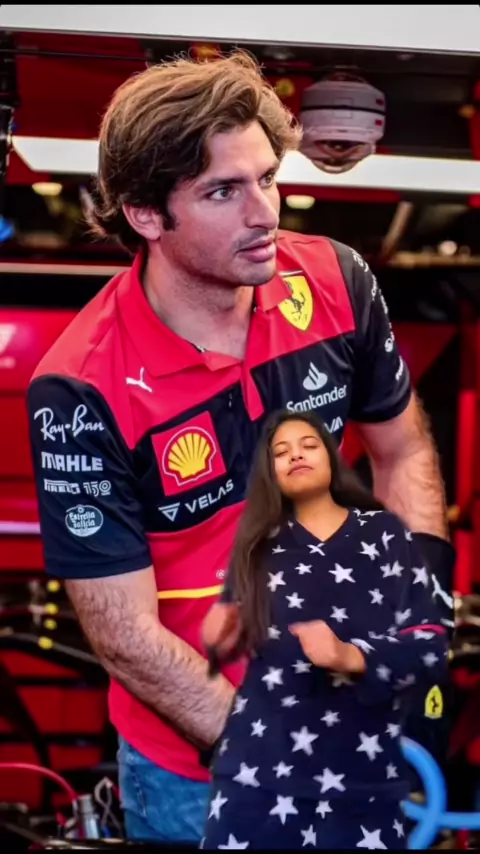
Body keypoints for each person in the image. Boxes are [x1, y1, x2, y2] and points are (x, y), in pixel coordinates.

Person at [25, 50, 454, 844]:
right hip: (197, 776)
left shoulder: (335, 280)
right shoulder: (82, 389)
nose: (264, 214)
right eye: (224, 191)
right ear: (145, 215)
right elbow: (124, 635)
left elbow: (403, 452)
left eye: (267, 178)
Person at [200, 410, 449, 851]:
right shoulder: (257, 548)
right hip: (257, 780)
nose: (296, 455)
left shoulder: (385, 535)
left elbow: (429, 649)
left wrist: (351, 656)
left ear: (332, 458)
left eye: (309, 445)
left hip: (359, 785)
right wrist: (220, 638)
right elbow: (235, 645)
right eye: (281, 452)